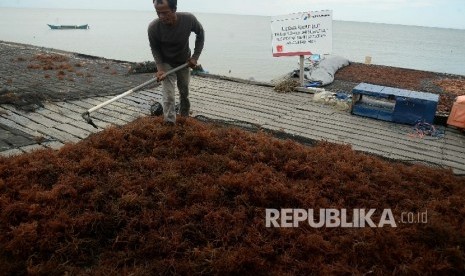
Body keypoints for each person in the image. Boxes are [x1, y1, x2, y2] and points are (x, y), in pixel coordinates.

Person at [148, 0, 205, 125]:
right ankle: (169, 123)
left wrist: (195, 57)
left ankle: (184, 117)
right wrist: (160, 68)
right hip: (166, 63)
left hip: (184, 62)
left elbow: (200, 34)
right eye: (158, 13)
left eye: (165, 13)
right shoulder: (153, 27)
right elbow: (155, 48)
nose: (161, 17)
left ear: (174, 9)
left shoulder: (188, 19)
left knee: (184, 92)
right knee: (168, 96)